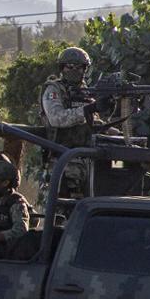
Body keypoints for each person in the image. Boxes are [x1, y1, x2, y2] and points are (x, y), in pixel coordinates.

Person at [39, 47, 114, 201]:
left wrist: (113, 129)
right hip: (62, 159)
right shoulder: (54, 90)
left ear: (85, 69)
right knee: (61, 210)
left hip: (87, 158)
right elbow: (56, 118)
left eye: (79, 67)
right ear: (62, 68)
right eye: (69, 66)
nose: (74, 70)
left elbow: (94, 123)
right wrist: (87, 109)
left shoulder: (85, 92)